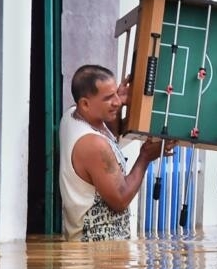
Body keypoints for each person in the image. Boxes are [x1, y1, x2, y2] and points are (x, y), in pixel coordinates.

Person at [59, 64, 171, 241]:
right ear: (85, 104)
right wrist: (145, 158)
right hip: (97, 249)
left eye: (116, 94)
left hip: (97, 246)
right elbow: (120, 200)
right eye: (109, 97)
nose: (118, 102)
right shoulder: (94, 145)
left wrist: (117, 107)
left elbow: (112, 138)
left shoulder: (72, 115)